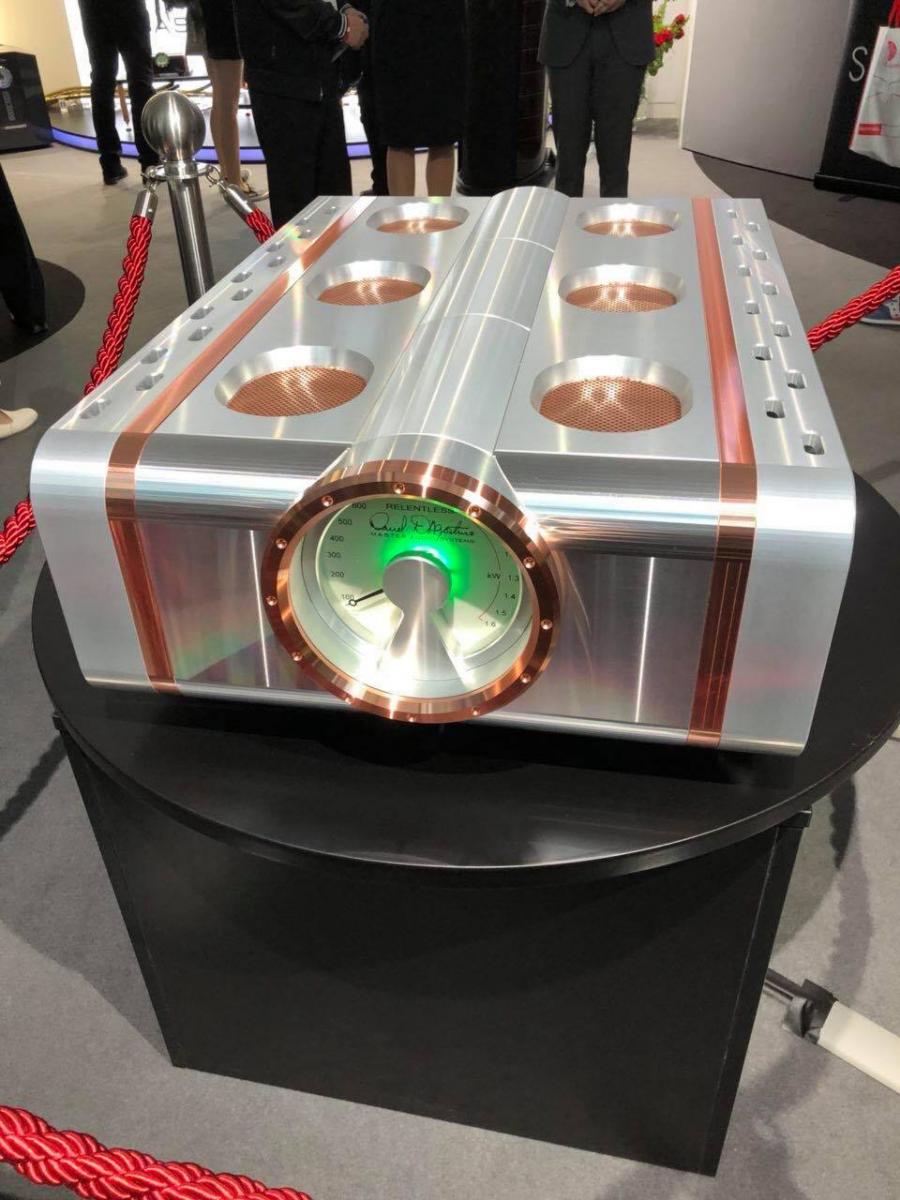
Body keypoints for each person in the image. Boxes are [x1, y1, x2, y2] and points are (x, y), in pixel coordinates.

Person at [233, 0, 369, 229]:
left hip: (319, 76)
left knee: (334, 199)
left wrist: (343, 10)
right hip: (283, 82)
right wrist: (341, 24)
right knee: (297, 206)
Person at [539, 0, 653, 198]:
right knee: (568, 153)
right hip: (565, 27)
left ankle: (613, 217)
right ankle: (566, 215)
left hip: (628, 30)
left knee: (616, 154)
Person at [371, 0, 466, 196]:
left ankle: (437, 210)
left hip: (443, 25)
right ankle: (403, 212)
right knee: (400, 136)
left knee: (441, 135)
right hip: (396, 26)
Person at [180, 0, 264, 197]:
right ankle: (234, 182)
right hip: (224, 23)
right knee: (227, 105)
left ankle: (228, 173)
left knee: (221, 100)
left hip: (206, 20)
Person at [77, 0, 160, 184]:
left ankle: (110, 163)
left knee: (102, 80)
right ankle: (150, 163)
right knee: (140, 80)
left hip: (92, 8)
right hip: (128, 7)